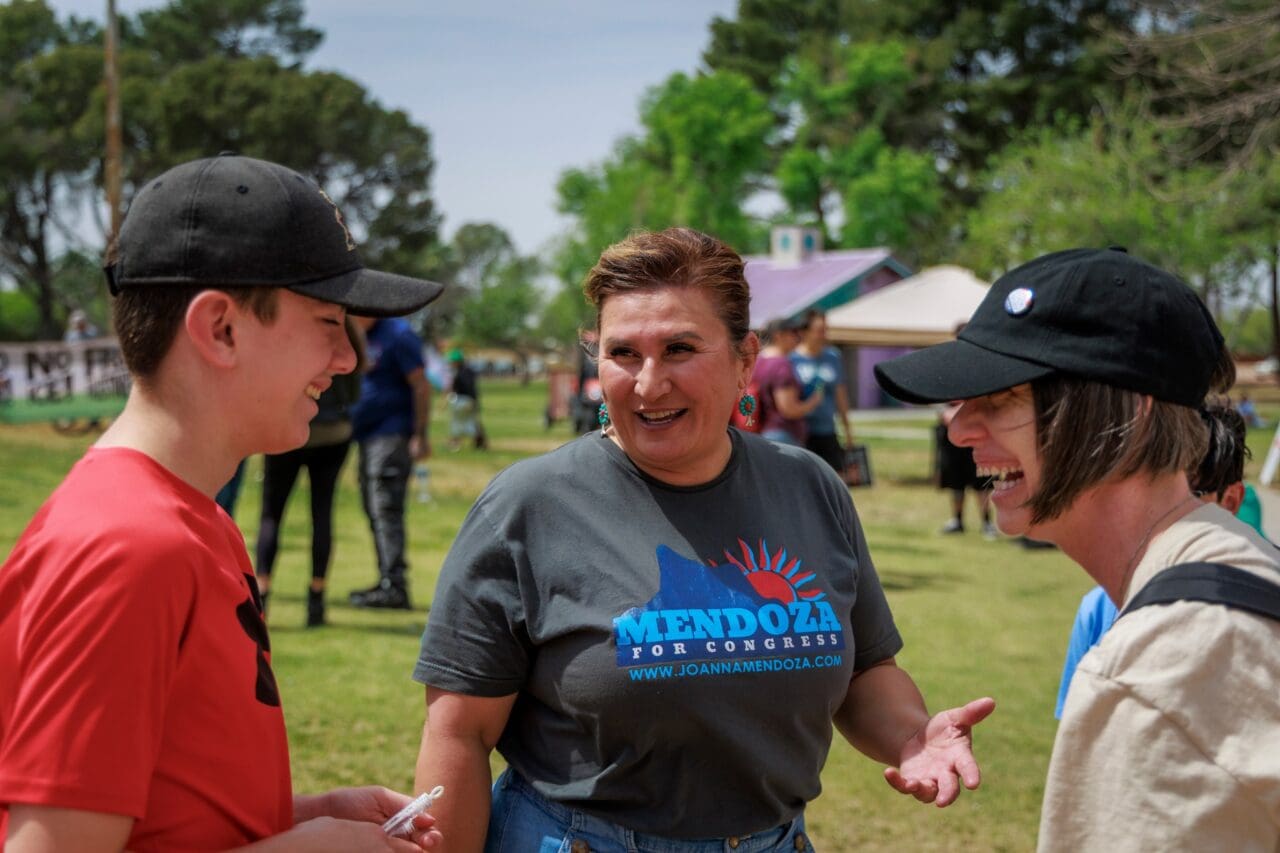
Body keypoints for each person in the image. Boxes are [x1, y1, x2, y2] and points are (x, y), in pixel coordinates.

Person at [412, 227, 994, 851]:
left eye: (680, 348)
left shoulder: (808, 486)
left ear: (745, 359)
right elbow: (459, 734)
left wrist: (911, 736)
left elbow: (866, 668)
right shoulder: (527, 506)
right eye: (623, 353)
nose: (648, 383)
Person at [0, 154, 444, 851]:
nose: (348, 358)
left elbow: (163, 813)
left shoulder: (197, 522)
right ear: (220, 328)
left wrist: (299, 814)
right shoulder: (129, 548)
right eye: (329, 320)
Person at [874, 247, 1280, 851]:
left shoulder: (1149, 674)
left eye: (1005, 396)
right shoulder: (1239, 561)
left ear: (1130, 414)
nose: (959, 429)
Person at [1052, 399, 1268, 718]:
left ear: (1231, 500)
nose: (1164, 517)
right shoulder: (1100, 609)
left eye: (1190, 498)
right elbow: (1078, 740)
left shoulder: (1264, 614)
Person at [254, 318, 364, 627]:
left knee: (271, 513)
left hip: (289, 431)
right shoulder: (349, 340)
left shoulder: (296, 333)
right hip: (334, 433)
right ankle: (316, 599)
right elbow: (354, 393)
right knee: (322, 512)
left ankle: (262, 593)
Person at [348, 313, 432, 609]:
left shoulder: (397, 334)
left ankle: (395, 586)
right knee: (371, 508)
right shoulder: (359, 334)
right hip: (366, 436)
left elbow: (421, 385)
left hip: (392, 434)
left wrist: (420, 434)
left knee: (386, 509)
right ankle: (386, 578)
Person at [790, 309, 854, 473]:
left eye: (825, 330)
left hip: (827, 430)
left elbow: (841, 395)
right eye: (819, 330)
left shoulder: (832, 357)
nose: (824, 335)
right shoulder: (792, 360)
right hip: (802, 431)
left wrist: (848, 430)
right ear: (804, 332)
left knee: (836, 479)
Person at [751, 316, 824, 445]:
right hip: (782, 434)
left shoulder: (758, 361)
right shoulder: (781, 364)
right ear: (778, 336)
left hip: (761, 432)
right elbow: (788, 409)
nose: (798, 337)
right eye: (793, 333)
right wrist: (814, 401)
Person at [935, 402, 996, 538]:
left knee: (982, 480)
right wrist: (944, 411)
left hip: (976, 434)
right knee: (955, 480)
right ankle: (957, 520)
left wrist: (962, 409)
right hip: (951, 435)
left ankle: (987, 522)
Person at [447, 347, 483, 451]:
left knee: (457, 422)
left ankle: (454, 443)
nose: (450, 363)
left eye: (452, 361)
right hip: (470, 400)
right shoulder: (469, 371)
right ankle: (479, 443)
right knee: (470, 422)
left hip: (462, 401)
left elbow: (461, 388)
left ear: (457, 361)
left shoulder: (459, 373)